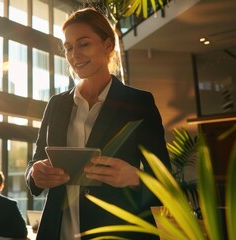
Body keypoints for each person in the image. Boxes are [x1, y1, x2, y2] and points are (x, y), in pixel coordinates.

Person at [25, 7, 171, 240]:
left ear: (107, 45)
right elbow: (35, 163)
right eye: (69, 48)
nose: (74, 55)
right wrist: (35, 173)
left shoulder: (139, 103)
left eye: (83, 44)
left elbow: (166, 182)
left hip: (119, 233)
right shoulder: (56, 104)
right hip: (59, 232)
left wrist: (135, 177)